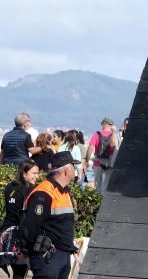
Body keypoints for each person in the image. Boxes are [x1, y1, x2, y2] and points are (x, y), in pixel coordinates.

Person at [20, 151, 79, 279]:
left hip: (62, 255)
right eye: (73, 167)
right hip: (48, 258)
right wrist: (25, 249)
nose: (76, 171)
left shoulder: (63, 192)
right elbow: (30, 226)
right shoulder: (43, 193)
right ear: (66, 171)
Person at [1, 161, 39, 279]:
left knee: (16, 270)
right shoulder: (29, 190)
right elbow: (27, 217)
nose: (37, 176)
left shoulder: (9, 186)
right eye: (34, 173)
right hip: (19, 237)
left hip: (6, 234)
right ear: (24, 174)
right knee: (20, 273)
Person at [84, 118, 118, 193]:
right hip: (109, 163)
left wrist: (87, 160)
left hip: (97, 163)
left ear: (104, 124)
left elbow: (90, 148)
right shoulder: (114, 135)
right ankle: (104, 202)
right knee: (105, 185)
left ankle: (98, 202)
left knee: (97, 185)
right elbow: (114, 147)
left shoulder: (97, 134)